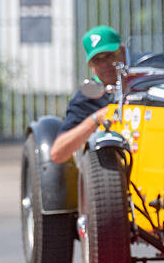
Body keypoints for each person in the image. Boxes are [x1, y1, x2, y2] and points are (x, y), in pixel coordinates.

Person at [49, 25, 124, 164]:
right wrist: (96, 119)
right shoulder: (87, 99)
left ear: (123, 52)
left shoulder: (143, 84)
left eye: (109, 56)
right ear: (91, 65)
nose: (105, 64)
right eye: (97, 60)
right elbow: (57, 153)